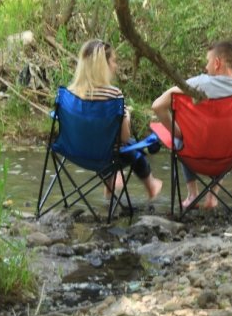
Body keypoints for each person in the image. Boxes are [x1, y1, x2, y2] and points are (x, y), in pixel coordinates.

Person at [151, 40, 232, 209]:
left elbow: (157, 106)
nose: (206, 67)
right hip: (227, 159)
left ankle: (192, 195)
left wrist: (179, 133)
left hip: (192, 156)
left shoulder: (195, 85)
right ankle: (212, 196)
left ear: (217, 63)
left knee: (180, 138)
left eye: (208, 61)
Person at [68, 39, 163, 199]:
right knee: (132, 147)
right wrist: (126, 115)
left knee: (106, 145)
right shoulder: (113, 95)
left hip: (76, 151)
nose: (116, 66)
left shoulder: (70, 94)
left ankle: (110, 185)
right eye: (114, 61)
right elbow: (124, 137)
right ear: (102, 66)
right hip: (107, 155)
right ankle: (151, 185)